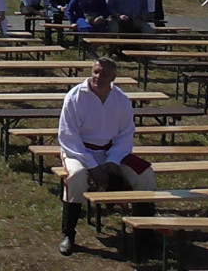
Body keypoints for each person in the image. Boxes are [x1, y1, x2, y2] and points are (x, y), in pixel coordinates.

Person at [57, 57, 156, 256]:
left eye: (103, 74)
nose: (97, 77)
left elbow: (125, 134)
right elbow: (69, 136)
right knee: (76, 176)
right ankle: (69, 234)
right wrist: (93, 167)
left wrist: (113, 162)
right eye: (95, 72)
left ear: (113, 77)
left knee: (145, 173)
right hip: (79, 152)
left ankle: (146, 234)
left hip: (112, 152)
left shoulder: (120, 99)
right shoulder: (75, 96)